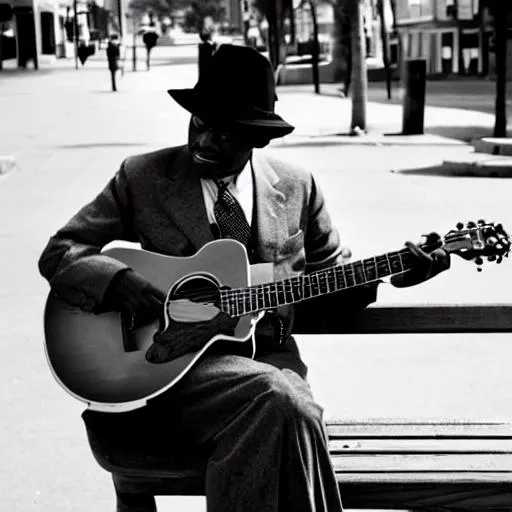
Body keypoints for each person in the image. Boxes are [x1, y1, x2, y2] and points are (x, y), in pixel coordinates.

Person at [38, 44, 450, 512]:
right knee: (286, 405)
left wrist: (394, 273)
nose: (205, 141)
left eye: (226, 133)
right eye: (200, 123)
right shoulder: (143, 177)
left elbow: (331, 281)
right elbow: (62, 251)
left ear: (258, 138)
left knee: (285, 404)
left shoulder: (297, 187)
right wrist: (117, 280)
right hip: (170, 374)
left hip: (269, 361)